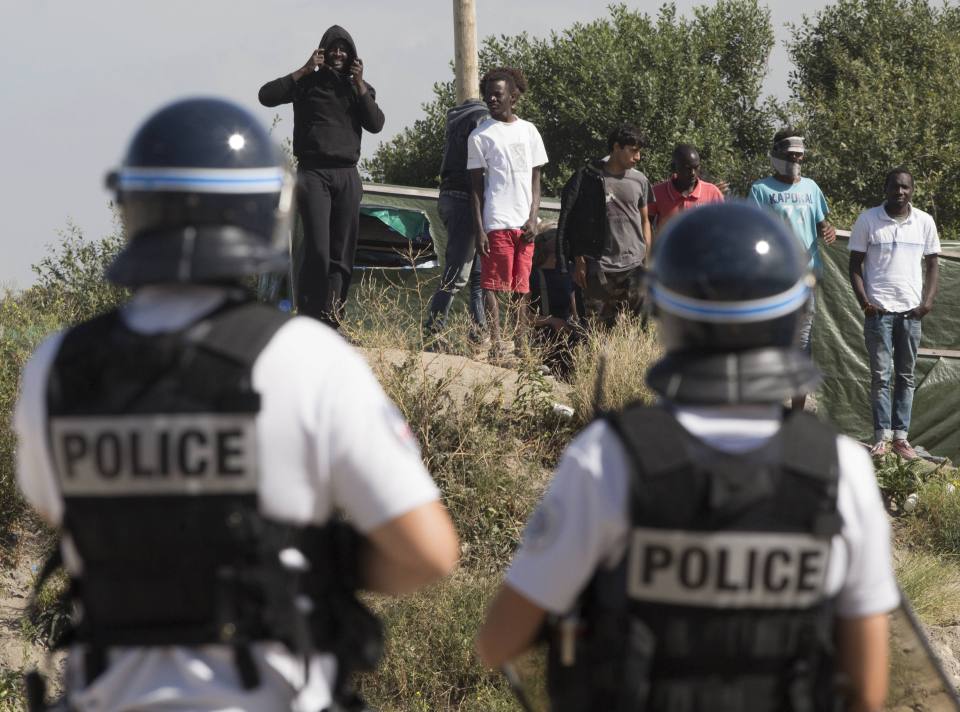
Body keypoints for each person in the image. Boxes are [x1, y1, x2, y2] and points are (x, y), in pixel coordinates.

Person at [14, 98, 458, 712]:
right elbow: (428, 552)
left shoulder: (57, 367)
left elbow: (61, 511)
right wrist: (313, 567)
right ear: (266, 211)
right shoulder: (309, 359)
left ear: (133, 207)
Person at [477, 203, 898, 712]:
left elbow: (498, 643)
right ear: (792, 315)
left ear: (665, 313)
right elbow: (869, 692)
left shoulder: (609, 458)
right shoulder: (841, 469)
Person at [259, 25, 385, 328]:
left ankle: (332, 322)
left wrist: (358, 84)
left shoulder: (360, 89)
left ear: (353, 56)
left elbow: (376, 124)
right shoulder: (307, 83)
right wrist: (303, 70)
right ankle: (308, 319)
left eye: (344, 49)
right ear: (323, 52)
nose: (339, 53)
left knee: (342, 252)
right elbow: (266, 96)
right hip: (313, 173)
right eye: (333, 48)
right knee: (318, 249)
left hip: (347, 175)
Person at [848, 168, 940, 460]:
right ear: (885, 188)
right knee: (880, 375)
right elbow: (854, 266)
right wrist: (865, 302)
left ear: (912, 190)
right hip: (879, 313)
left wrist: (927, 303)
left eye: (905, 188)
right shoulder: (868, 220)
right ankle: (881, 439)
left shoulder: (924, 222)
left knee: (906, 375)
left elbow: (934, 265)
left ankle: (901, 438)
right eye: (895, 187)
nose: (900, 192)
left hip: (911, 313)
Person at [749, 128, 837, 411]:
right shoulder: (761, 190)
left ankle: (795, 418)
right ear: (775, 155)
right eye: (790, 156)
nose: (795, 161)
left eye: (800, 157)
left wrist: (828, 230)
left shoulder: (811, 188)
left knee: (802, 348)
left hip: (806, 280)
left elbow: (822, 222)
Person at [467, 67, 548, 364]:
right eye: (487, 93)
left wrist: (534, 217)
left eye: (497, 94)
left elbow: (536, 179)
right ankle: (497, 344)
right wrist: (479, 229)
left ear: (513, 97)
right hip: (497, 220)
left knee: (521, 288)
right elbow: (475, 189)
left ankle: (519, 344)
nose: (491, 98)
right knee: (492, 285)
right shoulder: (479, 135)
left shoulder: (529, 131)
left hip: (525, 223)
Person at [556, 125, 653, 329]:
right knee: (597, 331)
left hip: (633, 266)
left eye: (639, 152)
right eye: (633, 150)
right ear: (617, 147)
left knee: (638, 328)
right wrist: (579, 257)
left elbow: (645, 220)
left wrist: (646, 259)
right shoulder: (589, 178)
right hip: (599, 267)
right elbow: (575, 220)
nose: (638, 157)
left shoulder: (640, 180)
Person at [424, 98, 491, 350]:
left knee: (476, 277)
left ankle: (478, 334)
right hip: (466, 199)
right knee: (456, 277)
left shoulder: (457, 118)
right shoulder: (483, 120)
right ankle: (433, 335)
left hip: (451, 196)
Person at [528, 225, 579, 379]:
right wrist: (553, 321)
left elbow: (577, 311)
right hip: (544, 338)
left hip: (568, 337)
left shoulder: (570, 271)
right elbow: (522, 316)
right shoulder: (532, 276)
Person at [649, 143, 725, 236]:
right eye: (687, 168)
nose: (693, 173)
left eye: (696, 167)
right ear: (674, 168)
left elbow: (723, 227)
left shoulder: (712, 192)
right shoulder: (657, 192)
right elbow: (645, 225)